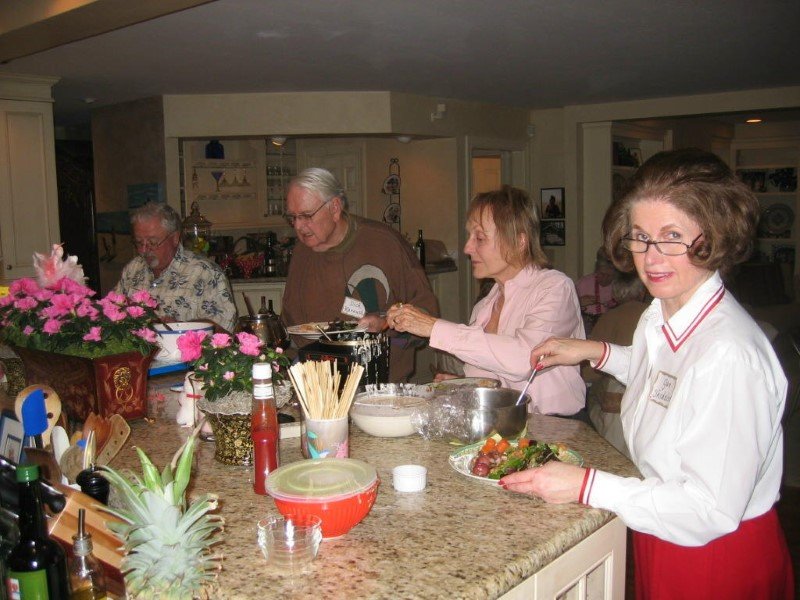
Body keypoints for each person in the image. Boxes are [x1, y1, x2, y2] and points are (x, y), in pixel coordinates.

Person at [502, 149, 794, 598]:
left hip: (715, 554)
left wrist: (586, 485)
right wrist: (596, 352)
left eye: (672, 236)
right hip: (663, 521)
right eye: (640, 237)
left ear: (715, 235)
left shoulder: (729, 355)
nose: (651, 257)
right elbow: (668, 376)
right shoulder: (665, 311)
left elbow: (709, 510)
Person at [387, 185, 586, 417]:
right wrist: (465, 386)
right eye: (470, 236)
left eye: (480, 238)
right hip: (506, 423)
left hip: (556, 426)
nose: (467, 248)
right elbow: (498, 375)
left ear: (519, 241)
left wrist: (433, 327)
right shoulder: (485, 305)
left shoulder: (555, 288)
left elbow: (526, 359)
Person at [281, 168, 438, 382]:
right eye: (293, 217)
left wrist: (385, 324)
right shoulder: (301, 253)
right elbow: (290, 319)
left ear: (335, 207)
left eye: (306, 216)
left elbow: (426, 313)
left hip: (381, 382)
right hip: (321, 383)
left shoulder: (384, 243)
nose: (298, 226)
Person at [115, 202, 237, 332]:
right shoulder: (132, 269)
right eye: (139, 242)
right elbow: (113, 314)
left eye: (152, 242)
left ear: (175, 237)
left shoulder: (206, 273)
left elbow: (224, 331)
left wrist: (181, 327)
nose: (144, 250)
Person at [581, 271, 647, 458]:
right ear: (642, 292)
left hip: (617, 400)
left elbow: (591, 371)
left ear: (615, 294)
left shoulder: (610, 317)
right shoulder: (654, 315)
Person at [575, 247, 618, 333]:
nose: (605, 278)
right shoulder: (583, 283)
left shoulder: (619, 286)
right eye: (602, 274)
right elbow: (568, 310)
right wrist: (579, 302)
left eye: (609, 276)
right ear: (596, 270)